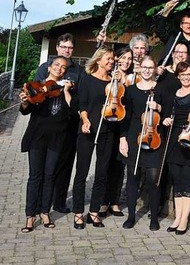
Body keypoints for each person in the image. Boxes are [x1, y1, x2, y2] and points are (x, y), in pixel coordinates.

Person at [18, 56, 73, 232]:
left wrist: (66, 91)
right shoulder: (36, 86)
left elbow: (72, 111)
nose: (60, 69)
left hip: (57, 137)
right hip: (37, 136)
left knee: (49, 175)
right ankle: (30, 215)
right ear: (49, 67)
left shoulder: (68, 86)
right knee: (35, 176)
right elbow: (26, 111)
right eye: (57, 65)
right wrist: (25, 102)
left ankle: (45, 212)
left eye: (63, 67)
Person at [72, 47, 120, 229]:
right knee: (82, 172)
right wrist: (85, 120)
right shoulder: (87, 80)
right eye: (108, 58)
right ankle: (78, 213)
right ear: (98, 60)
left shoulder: (113, 81)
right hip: (88, 129)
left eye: (112, 59)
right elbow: (82, 104)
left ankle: (94, 212)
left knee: (102, 173)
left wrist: (117, 84)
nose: (111, 61)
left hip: (108, 129)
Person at [34, 33, 82, 214]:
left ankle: (59, 201)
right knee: (45, 166)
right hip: (47, 122)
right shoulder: (45, 67)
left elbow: (79, 96)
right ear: (57, 48)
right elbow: (37, 89)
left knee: (65, 164)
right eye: (63, 47)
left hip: (69, 124)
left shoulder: (79, 71)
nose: (67, 50)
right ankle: (40, 202)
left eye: (70, 47)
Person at [162, 62, 190, 235]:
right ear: (178, 77)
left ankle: (184, 220)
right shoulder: (172, 94)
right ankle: (177, 217)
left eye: (189, 74)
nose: (186, 77)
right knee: (177, 181)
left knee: (188, 182)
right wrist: (166, 120)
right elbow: (167, 114)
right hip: (175, 139)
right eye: (183, 75)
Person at [118, 55, 164, 231]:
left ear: (154, 70)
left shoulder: (159, 90)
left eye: (150, 67)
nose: (147, 70)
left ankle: (154, 217)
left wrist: (158, 108)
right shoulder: (130, 91)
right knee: (132, 177)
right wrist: (123, 139)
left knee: (153, 179)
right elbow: (124, 116)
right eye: (144, 67)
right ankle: (131, 216)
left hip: (153, 137)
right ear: (139, 68)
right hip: (133, 136)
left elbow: (168, 112)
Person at [100, 47, 133, 218]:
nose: (126, 61)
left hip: (125, 124)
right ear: (117, 59)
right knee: (106, 163)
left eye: (129, 58)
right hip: (110, 122)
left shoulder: (134, 77)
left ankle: (114, 201)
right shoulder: (109, 75)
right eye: (123, 58)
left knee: (120, 166)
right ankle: (103, 202)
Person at [156, 10, 190, 78]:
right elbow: (159, 30)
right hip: (171, 76)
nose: (188, 26)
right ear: (181, 25)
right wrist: (165, 14)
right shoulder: (173, 37)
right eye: (186, 23)